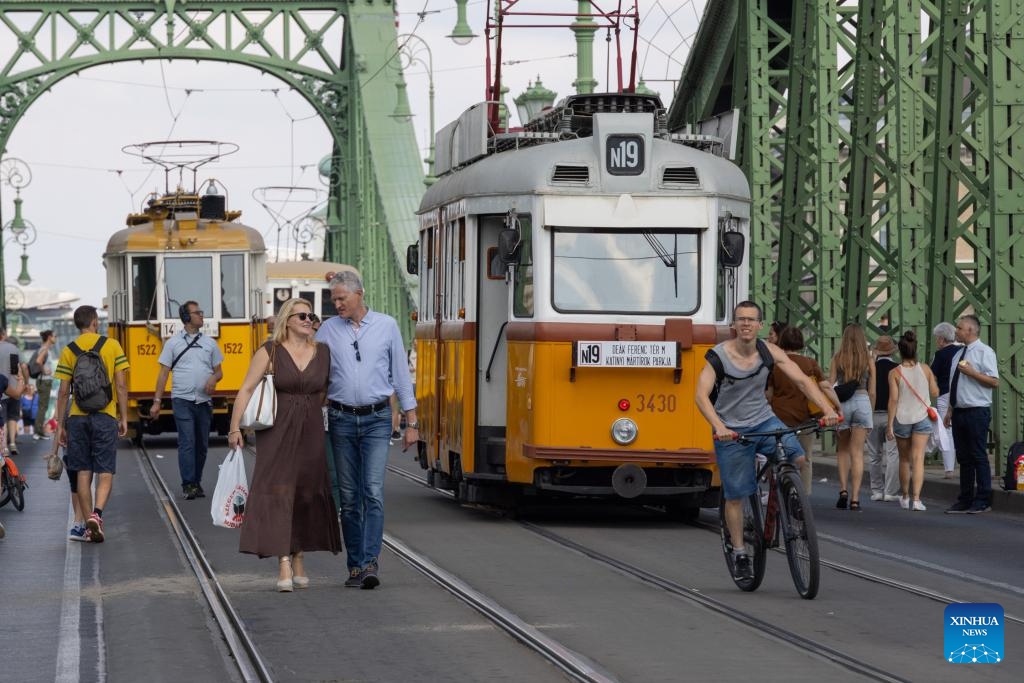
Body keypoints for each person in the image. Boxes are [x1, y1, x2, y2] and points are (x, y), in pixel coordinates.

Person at [695, 301, 839, 581]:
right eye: (741, 319)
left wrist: (828, 409)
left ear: (761, 325)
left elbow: (802, 381)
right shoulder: (718, 356)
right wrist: (719, 427)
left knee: (797, 456)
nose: (746, 324)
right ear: (733, 326)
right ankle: (739, 552)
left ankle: (788, 494)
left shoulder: (768, 351)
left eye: (751, 319)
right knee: (736, 494)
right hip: (731, 428)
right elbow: (701, 396)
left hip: (764, 419)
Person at [228, 298, 340, 591]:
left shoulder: (323, 352)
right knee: (279, 491)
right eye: (301, 315)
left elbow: (325, 391)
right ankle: (284, 563)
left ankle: (299, 555)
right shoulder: (271, 351)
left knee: (305, 493)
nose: (308, 319)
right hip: (277, 430)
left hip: (312, 430)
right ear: (286, 320)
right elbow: (246, 389)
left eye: (311, 315)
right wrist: (234, 428)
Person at [316, 270, 417, 590]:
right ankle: (356, 564)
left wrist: (412, 422)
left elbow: (401, 375)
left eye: (341, 298)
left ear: (359, 294)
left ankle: (371, 561)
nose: (337, 305)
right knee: (348, 497)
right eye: (333, 300)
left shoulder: (386, 326)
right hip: (341, 420)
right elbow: (312, 369)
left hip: (376, 419)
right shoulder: (328, 330)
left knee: (372, 491)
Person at [53, 305, 130, 543]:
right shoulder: (112, 346)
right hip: (105, 415)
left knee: (83, 471)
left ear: (78, 324)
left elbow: (64, 392)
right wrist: (123, 416)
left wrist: (61, 425)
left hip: (78, 416)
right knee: (105, 470)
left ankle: (87, 526)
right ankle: (96, 515)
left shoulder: (69, 350)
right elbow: (121, 385)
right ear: (95, 321)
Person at [149, 301, 224, 500]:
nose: (201, 315)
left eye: (201, 311)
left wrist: (212, 379)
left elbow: (219, 372)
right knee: (187, 442)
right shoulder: (173, 343)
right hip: (182, 399)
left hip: (204, 401)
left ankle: (196, 481)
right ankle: (188, 483)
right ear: (186, 317)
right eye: (197, 312)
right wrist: (157, 401)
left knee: (202, 444)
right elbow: (163, 374)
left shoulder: (210, 343)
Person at [766, 325, 838, 494]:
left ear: (782, 342)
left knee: (777, 458)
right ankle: (803, 496)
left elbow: (768, 395)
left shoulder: (775, 364)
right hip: (805, 420)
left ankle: (775, 494)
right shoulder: (810, 364)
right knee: (805, 458)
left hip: (779, 418)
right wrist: (837, 408)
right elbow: (825, 387)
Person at [943, 314, 999, 514]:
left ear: (970, 330)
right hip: (959, 411)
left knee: (978, 454)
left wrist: (973, 373)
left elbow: (994, 381)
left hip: (977, 410)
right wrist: (950, 409)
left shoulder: (985, 352)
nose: (956, 331)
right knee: (964, 457)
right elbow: (953, 383)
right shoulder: (958, 354)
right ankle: (965, 498)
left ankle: (983, 499)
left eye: (959, 328)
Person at [885, 331, 939, 511]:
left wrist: (890, 424)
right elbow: (934, 393)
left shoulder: (894, 372)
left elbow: (893, 400)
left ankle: (905, 496)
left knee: (904, 460)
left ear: (899, 351)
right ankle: (917, 500)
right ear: (916, 349)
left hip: (902, 418)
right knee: (918, 459)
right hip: (922, 417)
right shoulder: (925, 369)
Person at [828, 323, 875, 511]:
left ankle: (843, 491)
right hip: (863, 402)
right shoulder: (868, 360)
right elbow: (872, 391)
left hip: (843, 404)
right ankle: (855, 499)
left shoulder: (837, 358)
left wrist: (831, 409)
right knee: (857, 453)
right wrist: (869, 413)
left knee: (843, 451)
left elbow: (830, 385)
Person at [865, 335, 900, 503]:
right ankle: (890, 491)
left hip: (872, 415)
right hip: (892, 416)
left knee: (874, 455)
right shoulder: (898, 368)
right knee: (893, 454)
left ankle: (876, 490)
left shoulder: (869, 369)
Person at [930, 322, 960, 478]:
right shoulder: (962, 350)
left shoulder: (940, 354)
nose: (936, 341)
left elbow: (932, 375)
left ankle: (949, 469)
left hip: (944, 395)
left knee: (946, 431)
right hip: (961, 393)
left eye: (937, 338)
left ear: (941, 339)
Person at [0, 328, 26, 455]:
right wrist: (23, 382)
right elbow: (21, 367)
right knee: (12, 417)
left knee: (2, 419)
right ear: (3, 335)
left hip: (1, 389)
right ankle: (12, 443)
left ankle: (3, 447)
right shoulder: (13, 348)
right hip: (14, 387)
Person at [32, 330, 57, 440]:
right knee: (43, 406)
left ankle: (38, 431)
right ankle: (38, 431)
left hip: (44, 380)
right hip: (44, 380)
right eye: (54, 336)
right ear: (49, 337)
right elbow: (38, 361)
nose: (56, 338)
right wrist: (44, 370)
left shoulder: (44, 348)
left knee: (43, 406)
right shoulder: (45, 349)